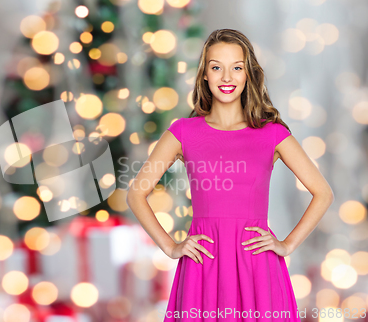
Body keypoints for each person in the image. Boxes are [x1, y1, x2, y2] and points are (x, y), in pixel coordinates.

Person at [126, 29, 334, 321]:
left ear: (248, 74)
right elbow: (136, 193)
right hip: (203, 265)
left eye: (236, 68)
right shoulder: (183, 132)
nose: (226, 77)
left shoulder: (272, 134)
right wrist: (171, 247)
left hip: (257, 266)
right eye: (216, 67)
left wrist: (286, 245)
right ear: (205, 76)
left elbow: (323, 193)